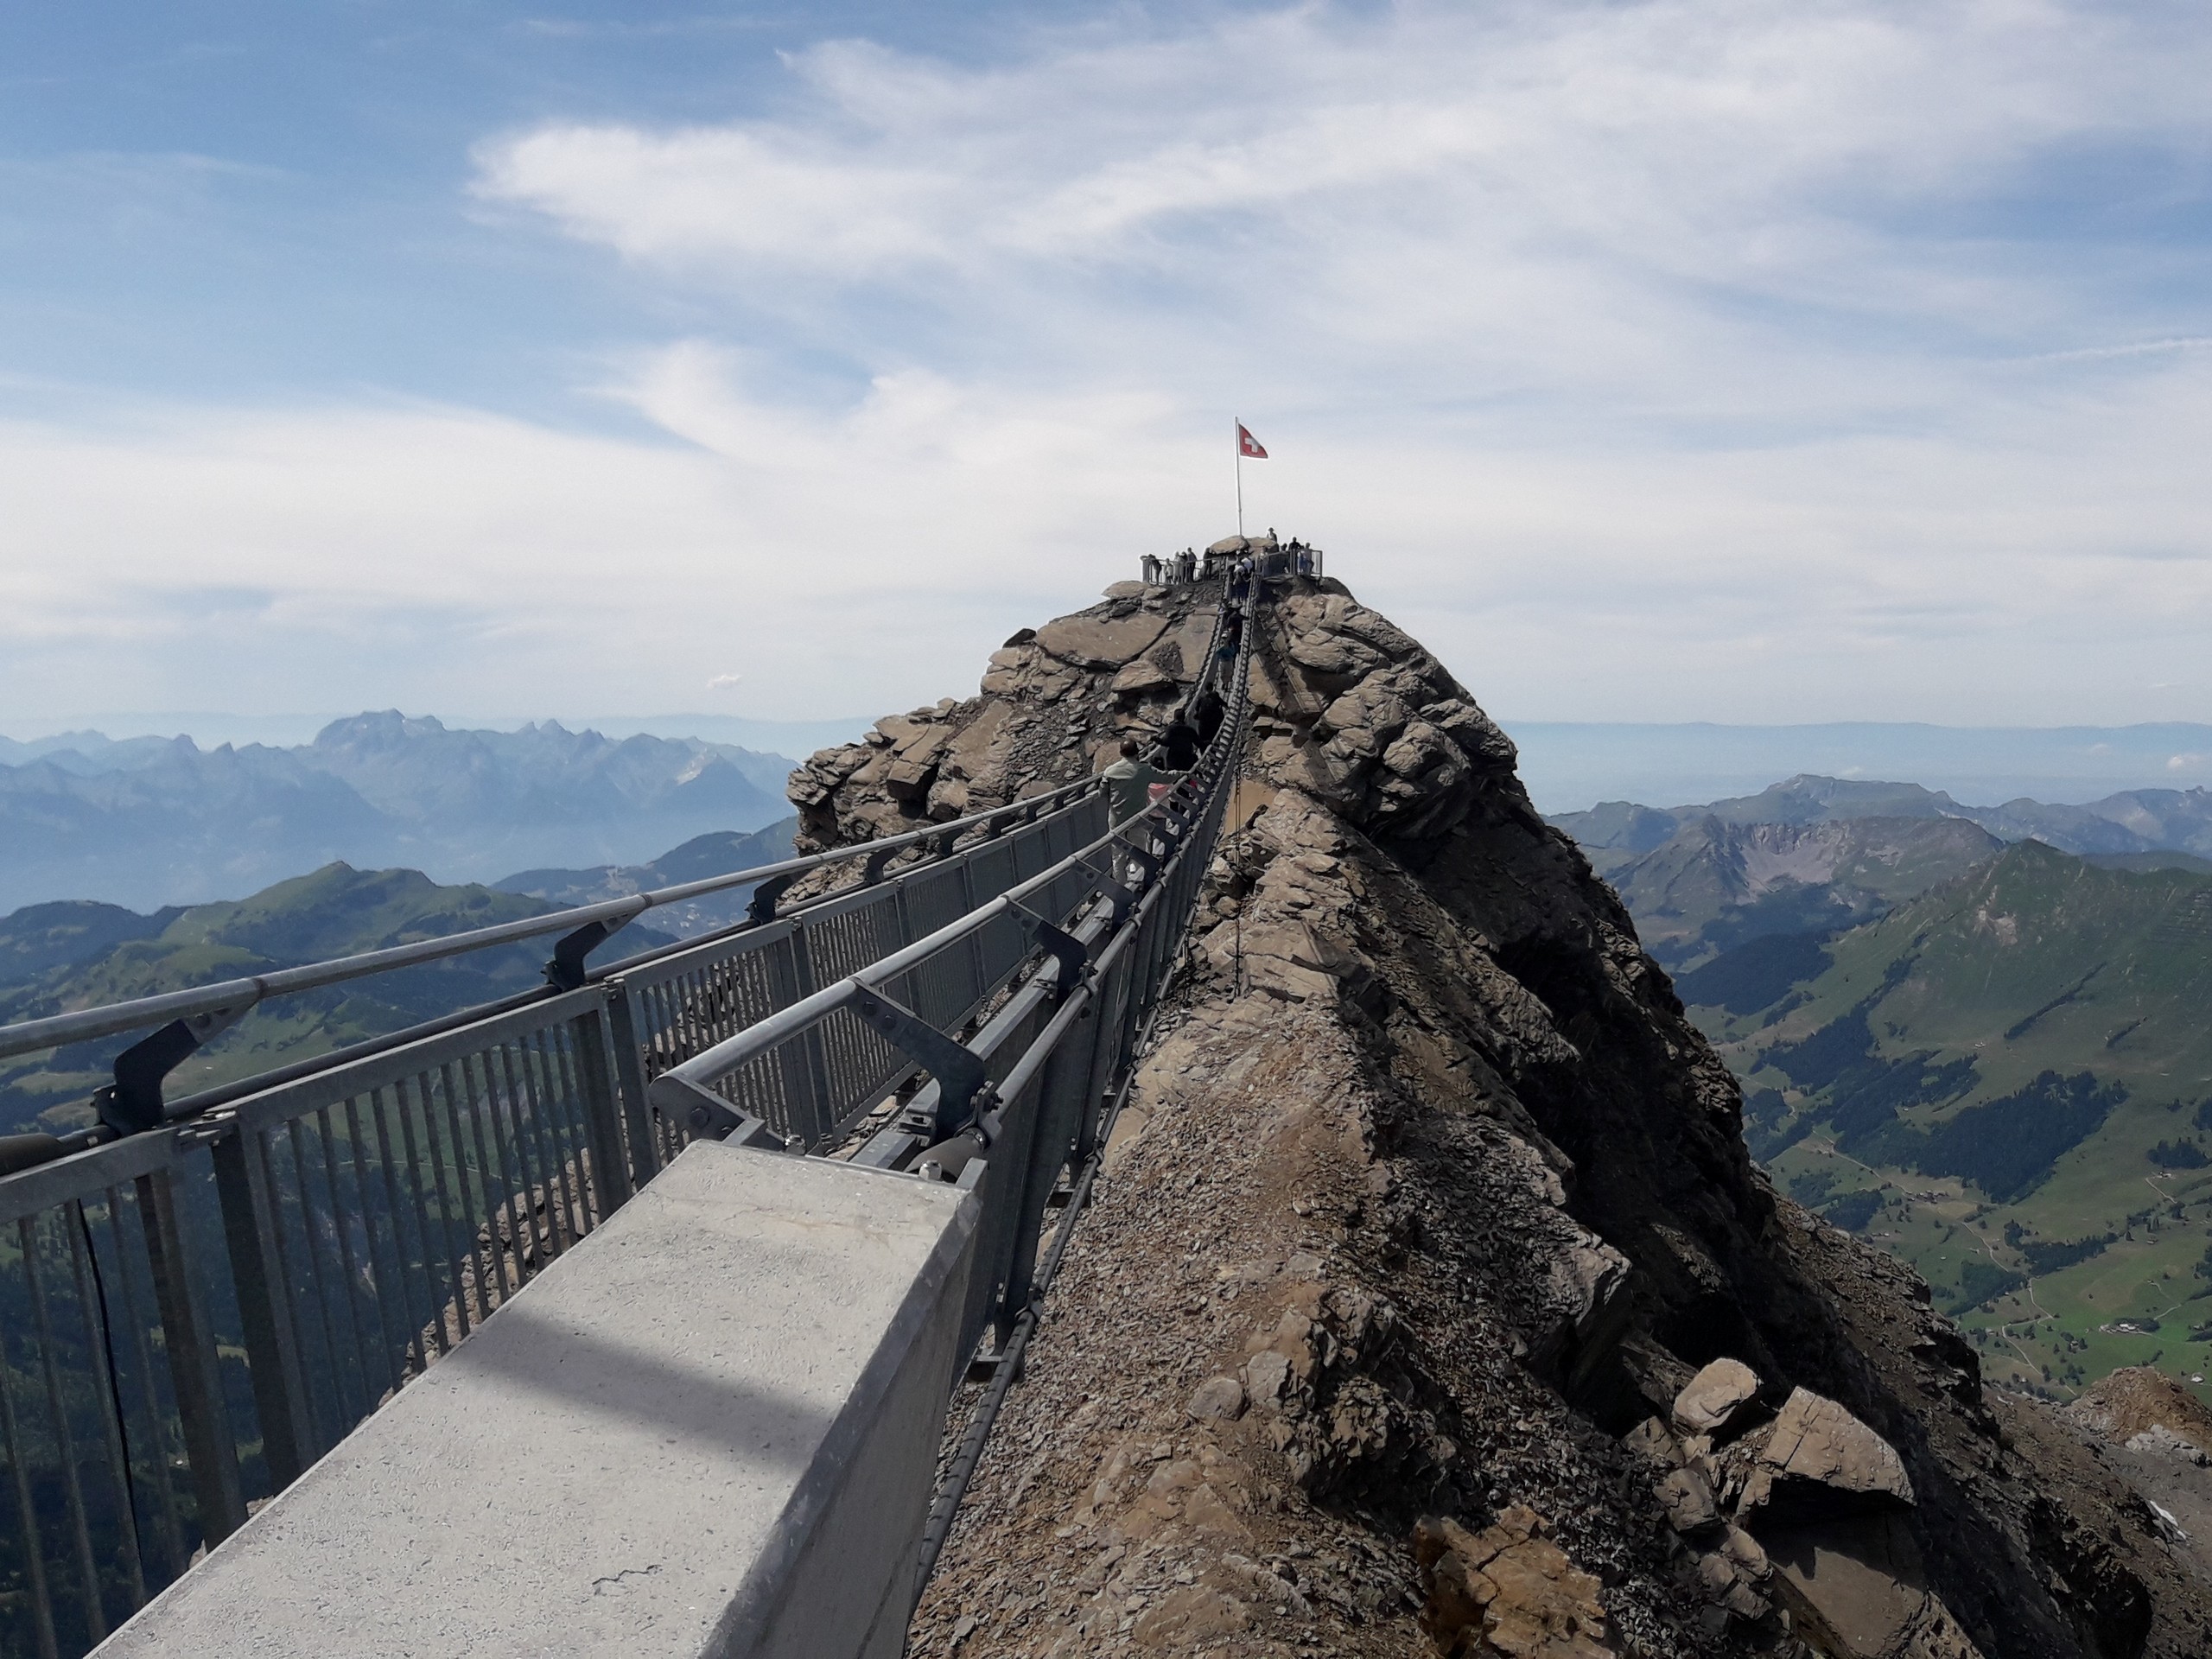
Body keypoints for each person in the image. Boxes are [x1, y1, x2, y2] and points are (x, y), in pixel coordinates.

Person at [1103, 737, 1180, 828]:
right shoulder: (1144, 769)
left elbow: (1102, 793)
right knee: (1138, 841)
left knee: (1117, 841)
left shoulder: (1109, 771)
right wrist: (1180, 773)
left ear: (1121, 753)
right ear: (1137, 752)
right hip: (1137, 818)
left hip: (1116, 819)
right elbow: (1166, 778)